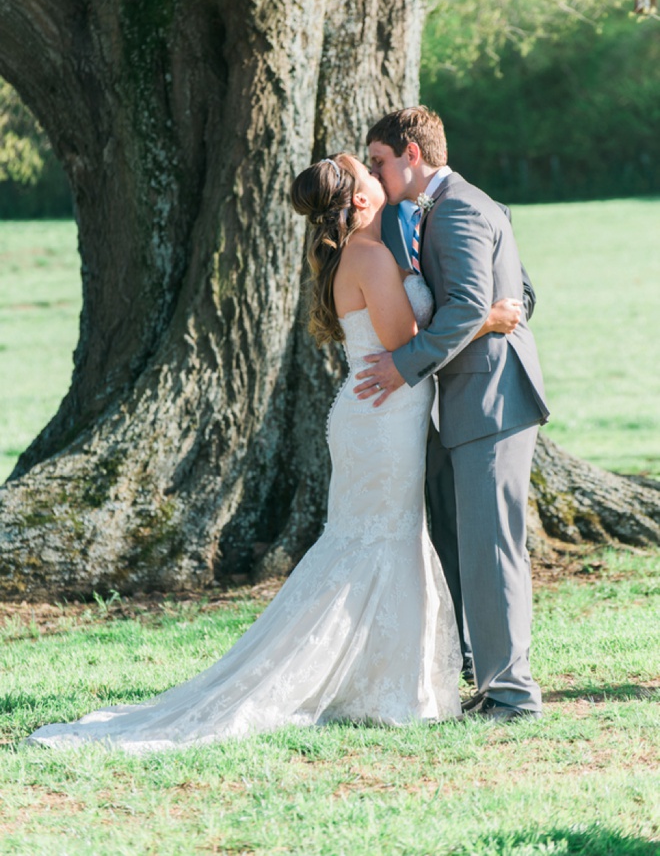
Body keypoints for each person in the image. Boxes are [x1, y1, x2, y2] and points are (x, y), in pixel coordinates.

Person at [28, 153, 469, 752]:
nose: (374, 172)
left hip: (374, 415)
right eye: (366, 171)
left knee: (375, 538)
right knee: (379, 538)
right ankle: (382, 690)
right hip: (382, 419)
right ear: (362, 201)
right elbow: (403, 345)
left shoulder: (354, 254)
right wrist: (481, 317)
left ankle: (383, 683)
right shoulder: (368, 256)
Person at [359, 106, 549, 722]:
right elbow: (515, 292)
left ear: (412, 154)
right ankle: (490, 680)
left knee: (493, 549)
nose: (377, 173)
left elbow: (472, 306)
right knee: (475, 544)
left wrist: (403, 363)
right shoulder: (450, 207)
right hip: (470, 397)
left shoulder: (461, 207)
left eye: (381, 161)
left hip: (490, 397)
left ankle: (512, 696)